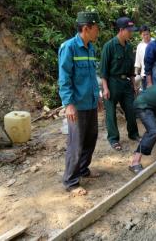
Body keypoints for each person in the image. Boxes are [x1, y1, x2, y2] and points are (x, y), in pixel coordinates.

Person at [58, 11, 102, 195]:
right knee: (76, 143)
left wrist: (97, 96)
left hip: (90, 102)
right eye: (96, 28)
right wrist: (68, 104)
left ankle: (83, 170)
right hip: (77, 106)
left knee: (91, 138)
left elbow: (92, 77)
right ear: (86, 28)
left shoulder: (90, 48)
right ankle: (71, 181)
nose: (98, 32)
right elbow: (64, 78)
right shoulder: (69, 48)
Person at [100, 17, 140, 151]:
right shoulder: (109, 46)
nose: (131, 33)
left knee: (131, 109)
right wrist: (105, 88)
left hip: (125, 83)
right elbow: (103, 71)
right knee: (111, 113)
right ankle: (113, 139)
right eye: (129, 31)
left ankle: (133, 134)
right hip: (112, 82)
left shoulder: (129, 47)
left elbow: (131, 70)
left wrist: (134, 84)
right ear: (121, 30)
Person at [134, 25, 152, 91]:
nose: (146, 36)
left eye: (147, 34)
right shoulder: (139, 46)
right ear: (140, 35)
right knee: (146, 94)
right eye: (143, 35)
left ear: (150, 33)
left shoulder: (155, 43)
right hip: (144, 75)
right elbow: (137, 62)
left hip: (154, 74)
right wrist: (135, 75)